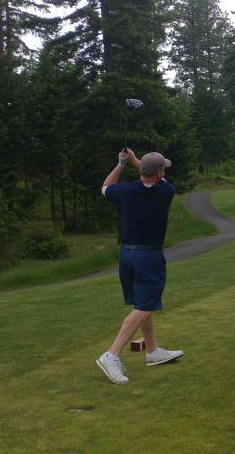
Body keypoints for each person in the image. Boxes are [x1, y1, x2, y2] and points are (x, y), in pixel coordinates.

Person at [96, 148, 184, 384]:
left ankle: (153, 351)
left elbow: (105, 187)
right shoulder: (165, 191)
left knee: (144, 303)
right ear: (159, 174)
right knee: (144, 307)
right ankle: (111, 355)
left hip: (126, 256)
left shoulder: (125, 190)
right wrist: (134, 160)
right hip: (148, 257)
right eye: (163, 170)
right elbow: (154, 177)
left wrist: (122, 164)